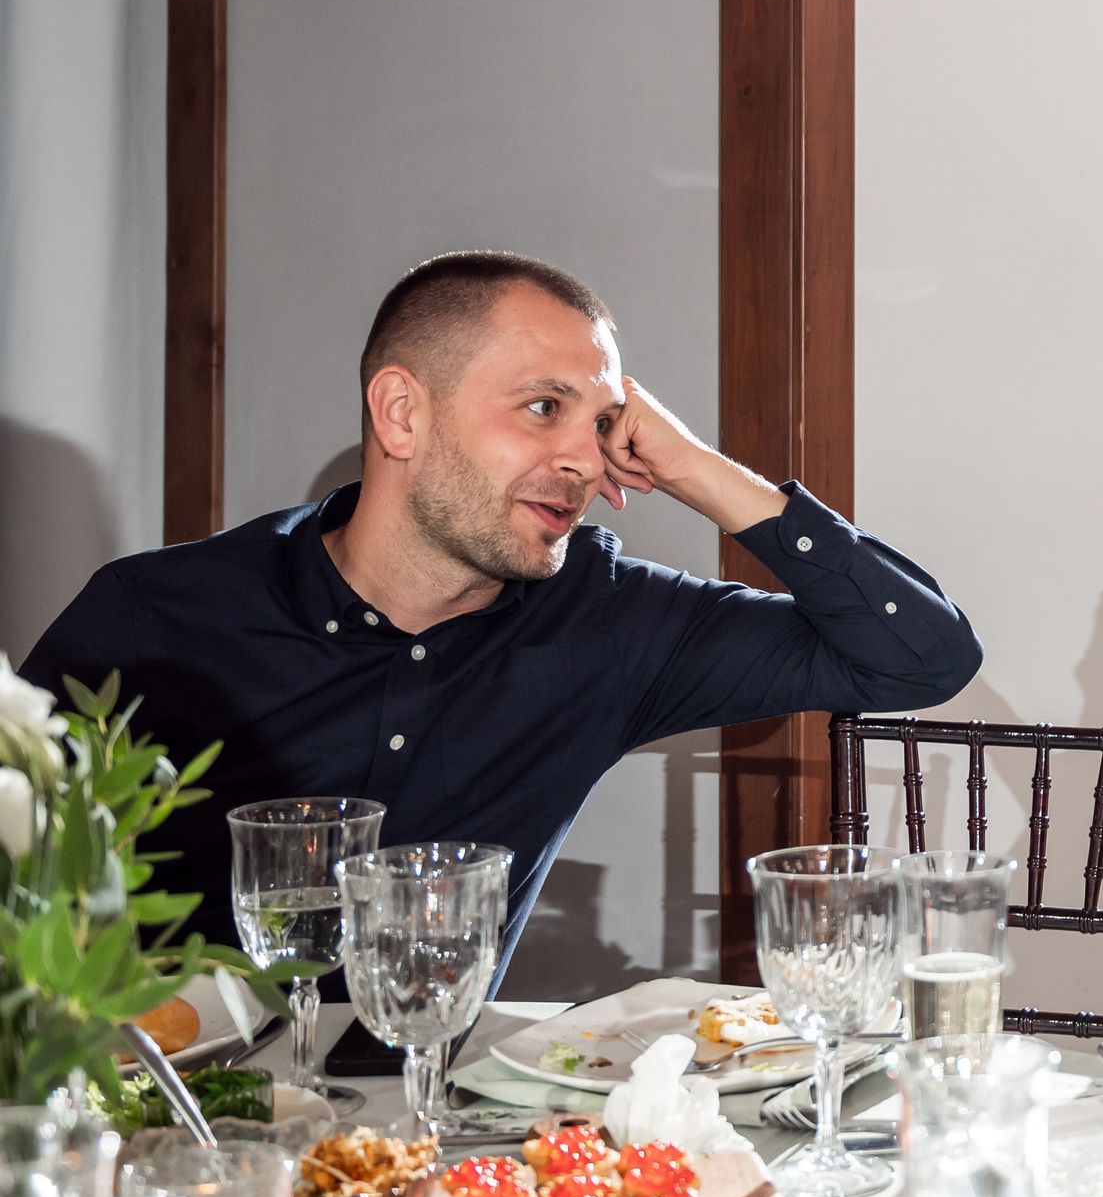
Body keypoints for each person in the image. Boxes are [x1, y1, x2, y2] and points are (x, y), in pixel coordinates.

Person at [20, 251, 980, 973]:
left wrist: (698, 469)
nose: (586, 459)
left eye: (602, 423)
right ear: (402, 414)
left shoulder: (608, 621)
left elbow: (920, 657)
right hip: (183, 1115)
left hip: (449, 1136)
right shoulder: (158, 616)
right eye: (542, 408)